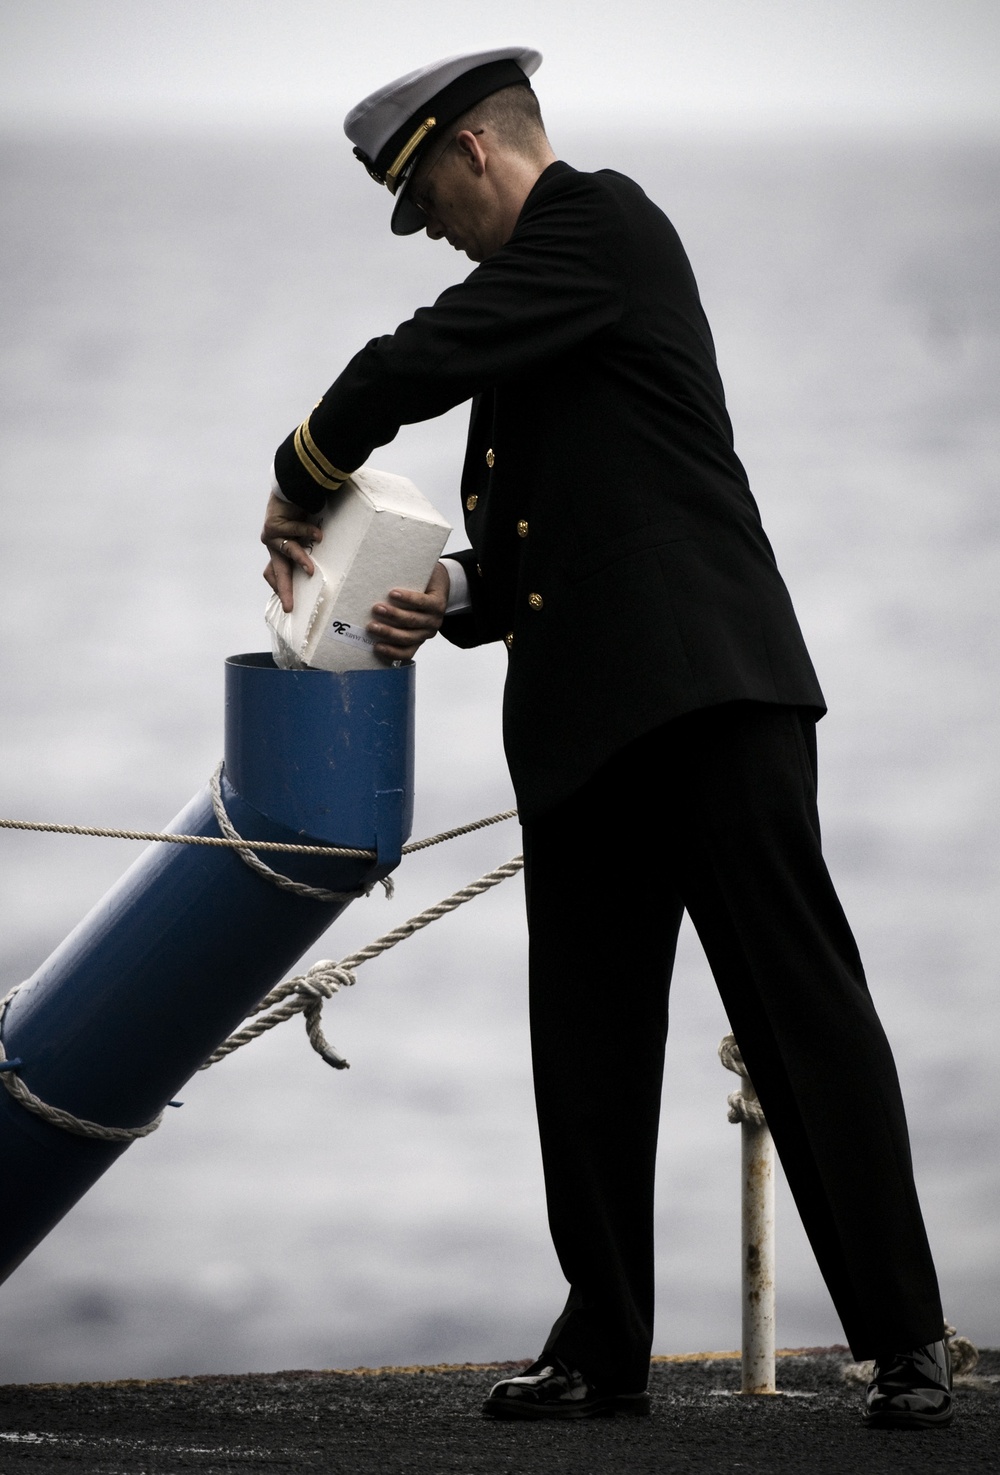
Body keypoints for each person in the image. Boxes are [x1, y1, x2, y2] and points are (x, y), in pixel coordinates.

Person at [261, 47, 952, 1429]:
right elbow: (547, 540)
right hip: (585, 726)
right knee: (584, 1047)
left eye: (427, 202)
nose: (431, 233)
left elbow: (416, 359)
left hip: (709, 699)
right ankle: (603, 1349)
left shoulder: (604, 222)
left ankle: (906, 1341)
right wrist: (451, 596)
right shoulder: (543, 308)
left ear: (473, 150)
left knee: (801, 1014)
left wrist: (303, 469)